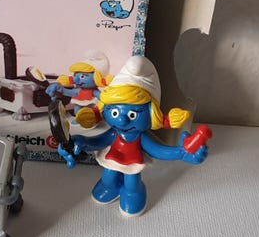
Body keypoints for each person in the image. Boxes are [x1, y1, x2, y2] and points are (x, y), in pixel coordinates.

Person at [57, 56, 209, 216]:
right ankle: (109, 187)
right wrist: (80, 141)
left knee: (132, 183)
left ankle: (133, 194)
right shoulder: (113, 132)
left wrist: (181, 153)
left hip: (132, 162)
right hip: (112, 158)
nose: (122, 120)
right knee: (108, 176)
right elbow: (98, 141)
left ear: (152, 115)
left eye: (133, 114)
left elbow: (158, 150)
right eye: (114, 113)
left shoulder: (141, 138)